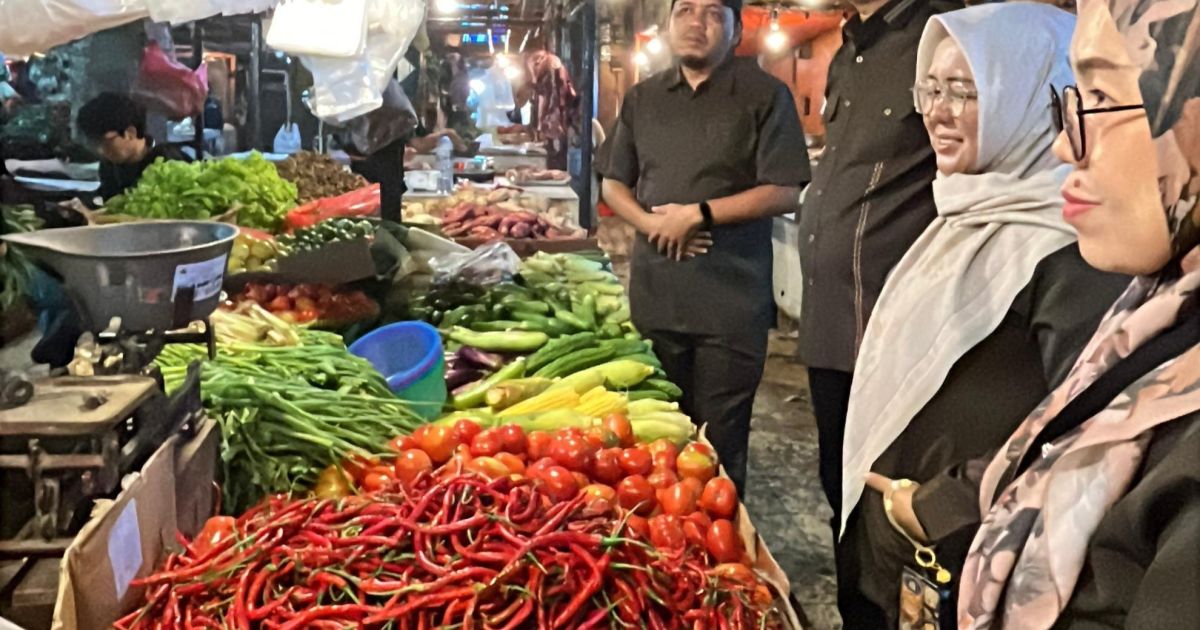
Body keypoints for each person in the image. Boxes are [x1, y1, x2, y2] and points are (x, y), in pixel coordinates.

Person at [873, 0, 1200, 627]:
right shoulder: (1155, 311)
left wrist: (939, 509)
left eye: (1100, 96)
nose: (1064, 144)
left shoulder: (1080, 263)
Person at [832, 5, 1131, 627]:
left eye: (966, 91)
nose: (938, 111)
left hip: (971, 570)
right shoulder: (962, 213)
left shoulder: (1076, 252)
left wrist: (937, 508)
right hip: (902, 562)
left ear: (1036, 99)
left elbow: (1090, 438)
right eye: (931, 88)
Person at [596, 0, 810, 492]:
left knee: (718, 447)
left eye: (713, 13)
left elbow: (785, 189)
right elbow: (613, 182)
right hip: (657, 297)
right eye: (685, 10)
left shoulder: (764, 95)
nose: (696, 22)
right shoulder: (644, 97)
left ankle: (717, 536)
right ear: (669, 23)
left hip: (730, 306)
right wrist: (651, 224)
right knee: (656, 439)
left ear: (735, 31)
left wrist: (699, 214)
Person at [796, 0, 961, 534]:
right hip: (829, 318)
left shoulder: (938, 37)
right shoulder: (848, 51)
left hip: (891, 325)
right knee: (837, 482)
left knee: (886, 497)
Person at [77, 92, 191, 201]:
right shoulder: (109, 166)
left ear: (130, 133)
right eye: (95, 143)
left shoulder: (169, 163)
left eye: (106, 142)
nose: (100, 150)